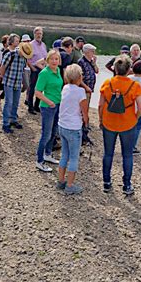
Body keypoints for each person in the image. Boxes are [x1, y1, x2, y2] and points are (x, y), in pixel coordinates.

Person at [99, 55, 141, 195]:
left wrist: (101, 120)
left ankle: (107, 183)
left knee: (108, 153)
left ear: (115, 69)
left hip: (109, 123)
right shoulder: (135, 85)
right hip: (127, 124)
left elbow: (101, 105)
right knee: (127, 155)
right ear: (129, 69)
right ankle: (126, 185)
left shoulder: (107, 83)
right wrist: (135, 119)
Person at [57, 64, 89, 194]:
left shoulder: (65, 88)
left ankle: (61, 181)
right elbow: (84, 112)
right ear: (79, 77)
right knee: (74, 157)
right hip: (73, 127)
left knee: (64, 154)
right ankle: (70, 185)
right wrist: (86, 122)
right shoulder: (80, 92)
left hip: (62, 125)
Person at [34, 50, 64, 172]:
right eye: (51, 59)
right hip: (48, 107)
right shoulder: (44, 73)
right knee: (45, 134)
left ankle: (48, 154)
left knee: (53, 132)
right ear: (47, 60)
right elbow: (37, 92)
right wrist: (50, 102)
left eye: (56, 59)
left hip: (57, 105)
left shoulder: (57, 71)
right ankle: (39, 161)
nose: (54, 61)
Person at [1, 35, 33, 133]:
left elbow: (22, 70)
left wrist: (23, 82)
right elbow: (2, 67)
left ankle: (13, 120)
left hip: (17, 83)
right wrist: (2, 78)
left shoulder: (24, 59)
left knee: (15, 103)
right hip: (9, 82)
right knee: (8, 103)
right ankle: (5, 123)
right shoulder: (10, 54)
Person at [27, 27, 47, 115]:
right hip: (34, 68)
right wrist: (32, 68)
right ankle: (30, 107)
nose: (39, 35)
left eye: (40, 34)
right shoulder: (30, 45)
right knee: (32, 88)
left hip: (43, 69)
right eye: (37, 33)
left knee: (41, 88)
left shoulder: (44, 45)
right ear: (34, 34)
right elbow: (27, 58)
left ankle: (36, 105)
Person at [0, 34, 9, 111]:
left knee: (7, 89)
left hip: (9, 73)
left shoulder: (12, 50)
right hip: (3, 72)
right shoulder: (1, 52)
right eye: (8, 41)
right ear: (4, 43)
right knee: (5, 89)